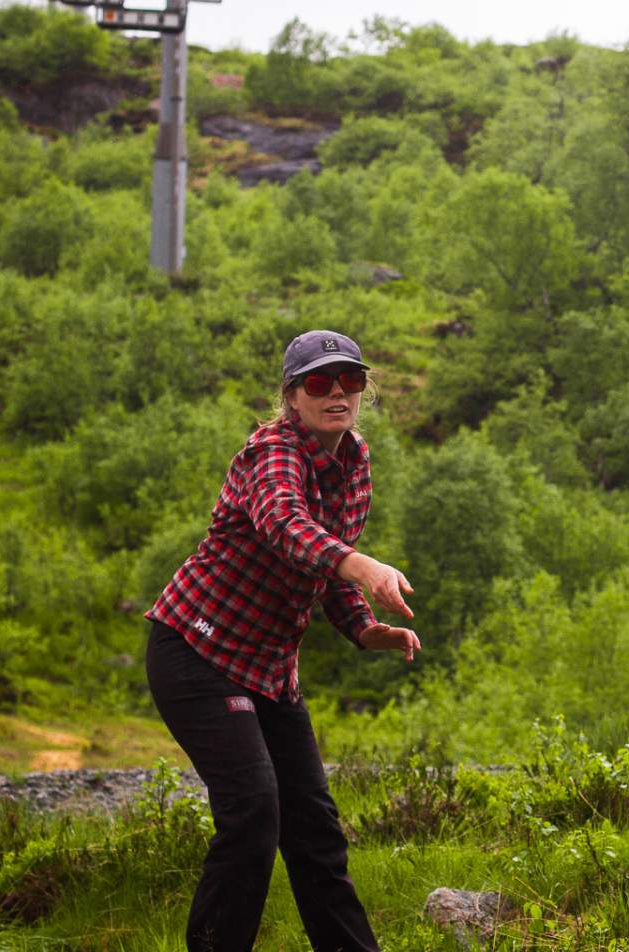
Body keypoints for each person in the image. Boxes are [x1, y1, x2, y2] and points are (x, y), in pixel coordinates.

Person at [144, 329, 420, 952]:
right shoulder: (271, 451)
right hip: (196, 651)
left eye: (350, 380)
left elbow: (326, 565)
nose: (337, 393)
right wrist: (366, 568)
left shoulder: (356, 461)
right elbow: (286, 524)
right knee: (252, 811)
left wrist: (363, 627)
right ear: (292, 396)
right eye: (319, 383)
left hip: (269, 669)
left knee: (314, 826)